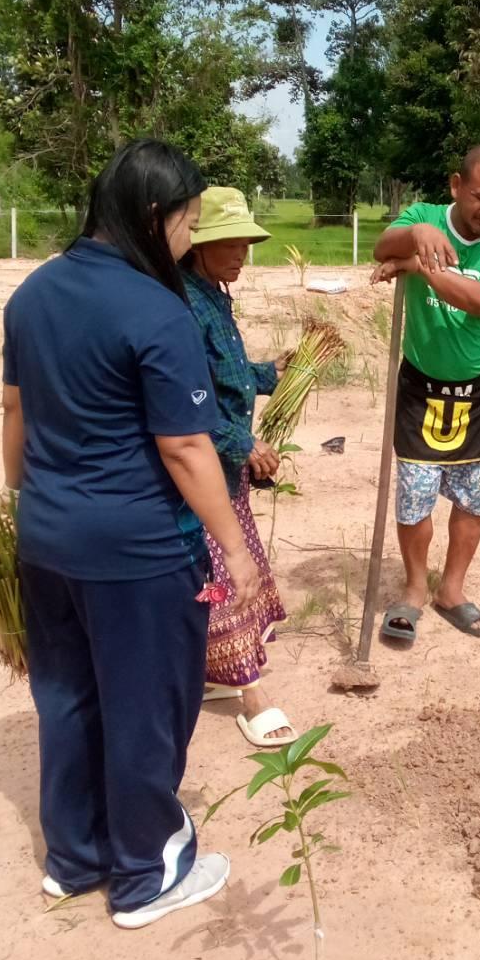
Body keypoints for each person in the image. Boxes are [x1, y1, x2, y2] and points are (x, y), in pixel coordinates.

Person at [2, 140, 260, 929]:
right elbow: (185, 446)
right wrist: (238, 549)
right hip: (139, 551)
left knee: (68, 697)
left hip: (46, 539)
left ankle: (74, 858)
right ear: (155, 218)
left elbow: (16, 417)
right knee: (148, 703)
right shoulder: (159, 307)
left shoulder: (33, 293)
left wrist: (35, 500)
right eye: (187, 221)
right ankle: (145, 871)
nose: (188, 238)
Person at [371, 145, 480, 643]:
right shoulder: (423, 218)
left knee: (472, 497)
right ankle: (416, 588)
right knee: (415, 495)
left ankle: (452, 590)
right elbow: (383, 247)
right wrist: (415, 236)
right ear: (456, 184)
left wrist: (419, 268)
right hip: (420, 384)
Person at [182, 187, 294, 748]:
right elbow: (188, 398)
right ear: (198, 244)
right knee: (224, 577)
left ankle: (210, 674)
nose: (241, 252)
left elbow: (226, 373)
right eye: (229, 241)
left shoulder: (214, 297)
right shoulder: (184, 304)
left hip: (227, 474)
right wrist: (242, 443)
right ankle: (249, 692)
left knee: (231, 572)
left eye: (247, 242)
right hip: (205, 472)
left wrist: (270, 372)